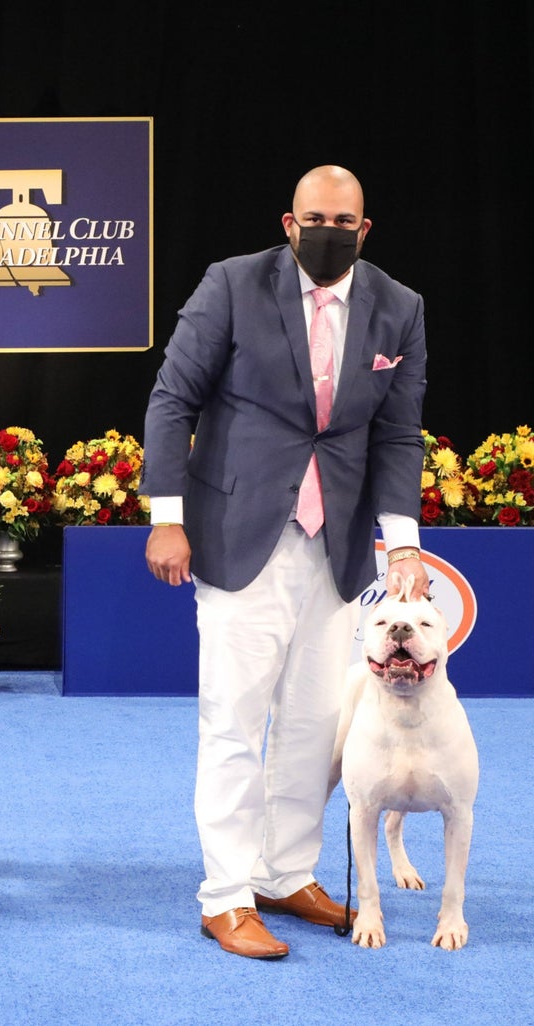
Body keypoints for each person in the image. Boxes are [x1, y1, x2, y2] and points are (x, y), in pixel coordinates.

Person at [142, 166, 428, 959]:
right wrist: (167, 518)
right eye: (315, 217)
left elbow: (399, 434)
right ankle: (226, 895)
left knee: (311, 727)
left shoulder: (399, 308)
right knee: (233, 724)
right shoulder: (232, 285)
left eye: (345, 218)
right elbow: (172, 399)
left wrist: (400, 539)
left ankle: (284, 872)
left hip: (336, 550)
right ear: (290, 221)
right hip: (236, 536)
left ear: (365, 229)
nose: (329, 228)